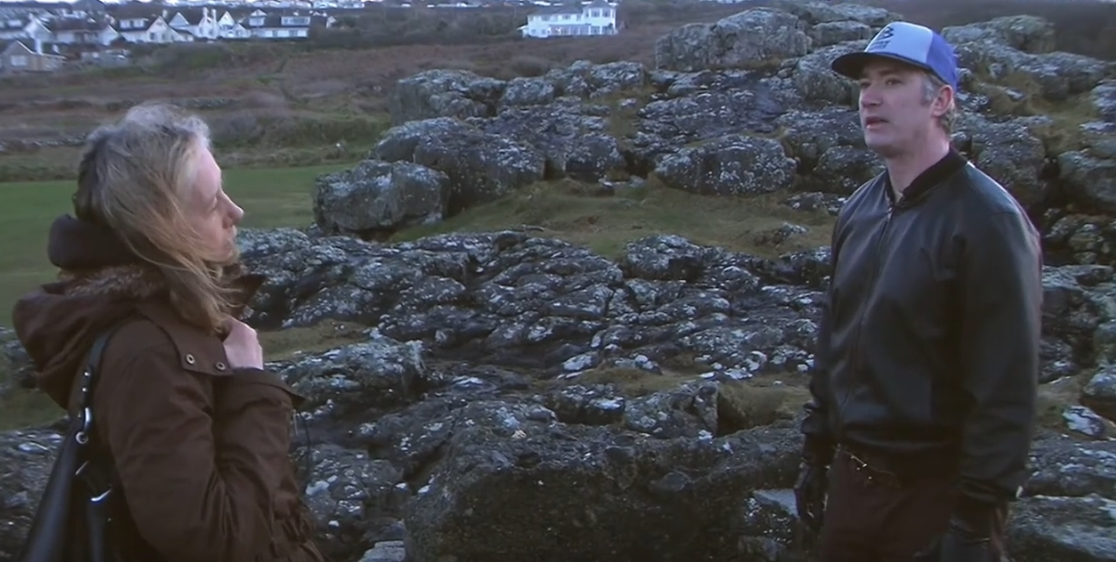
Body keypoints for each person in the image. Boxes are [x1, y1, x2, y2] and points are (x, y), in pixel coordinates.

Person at [12, 102, 325, 562]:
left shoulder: (167, 319)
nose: (236, 211)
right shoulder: (147, 356)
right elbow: (215, 541)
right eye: (211, 203)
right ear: (161, 229)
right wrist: (251, 386)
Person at [792, 21, 1043, 562]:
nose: (871, 98)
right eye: (864, 84)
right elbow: (835, 336)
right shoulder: (860, 207)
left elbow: (1006, 384)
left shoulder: (988, 221)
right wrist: (816, 450)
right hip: (852, 487)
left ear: (941, 101)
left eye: (893, 81)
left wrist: (975, 519)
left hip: (935, 498)